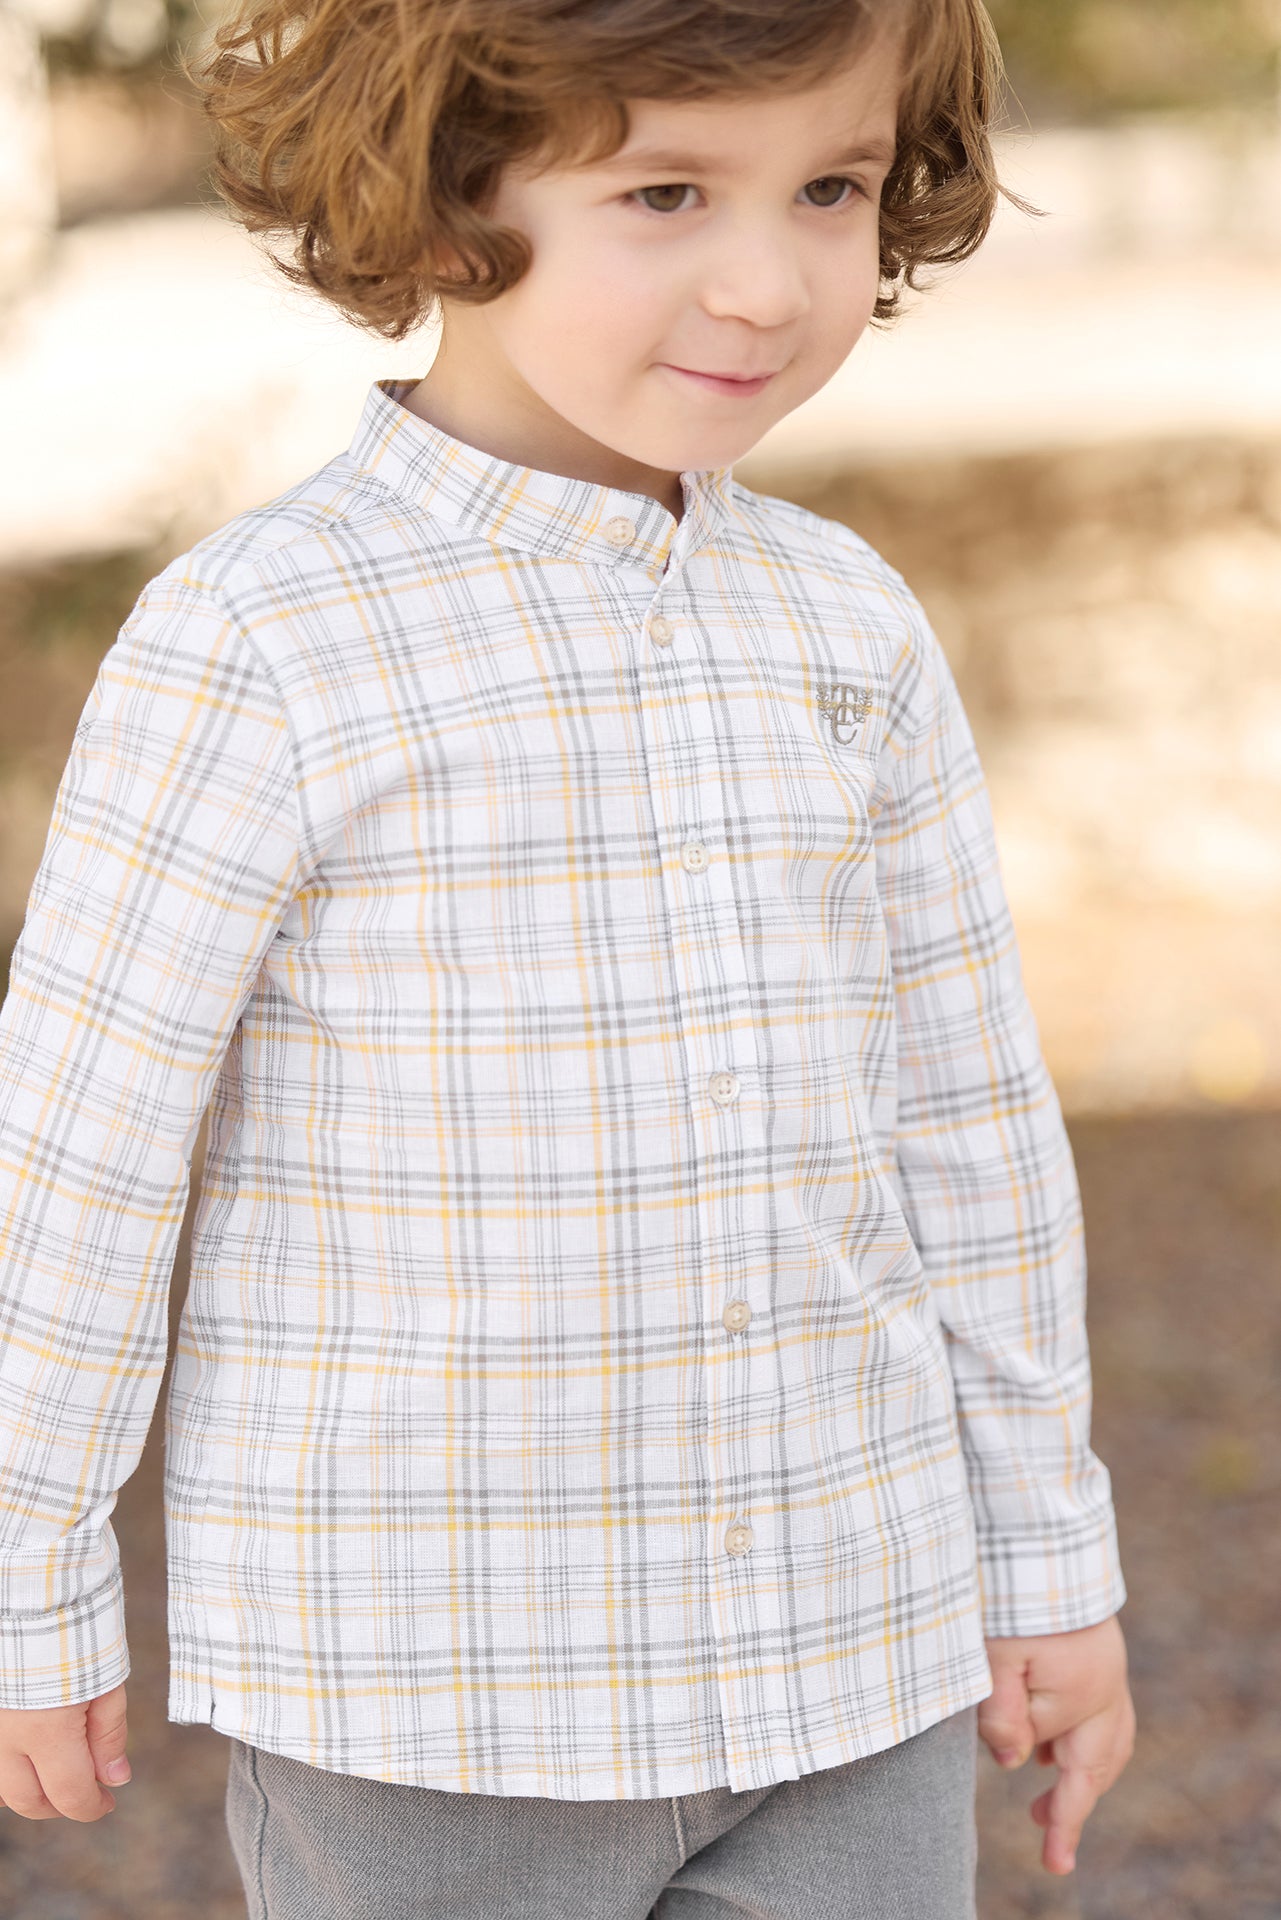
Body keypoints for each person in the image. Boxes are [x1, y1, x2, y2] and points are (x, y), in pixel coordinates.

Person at [0, 1, 1135, 1914]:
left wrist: (1048, 1565)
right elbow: (76, 1154)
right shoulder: (261, 643)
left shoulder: (848, 630)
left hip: (854, 1655)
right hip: (434, 1698)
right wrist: (28, 1571)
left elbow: (971, 1131)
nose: (765, 282)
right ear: (452, 186)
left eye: (829, 187)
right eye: (666, 193)